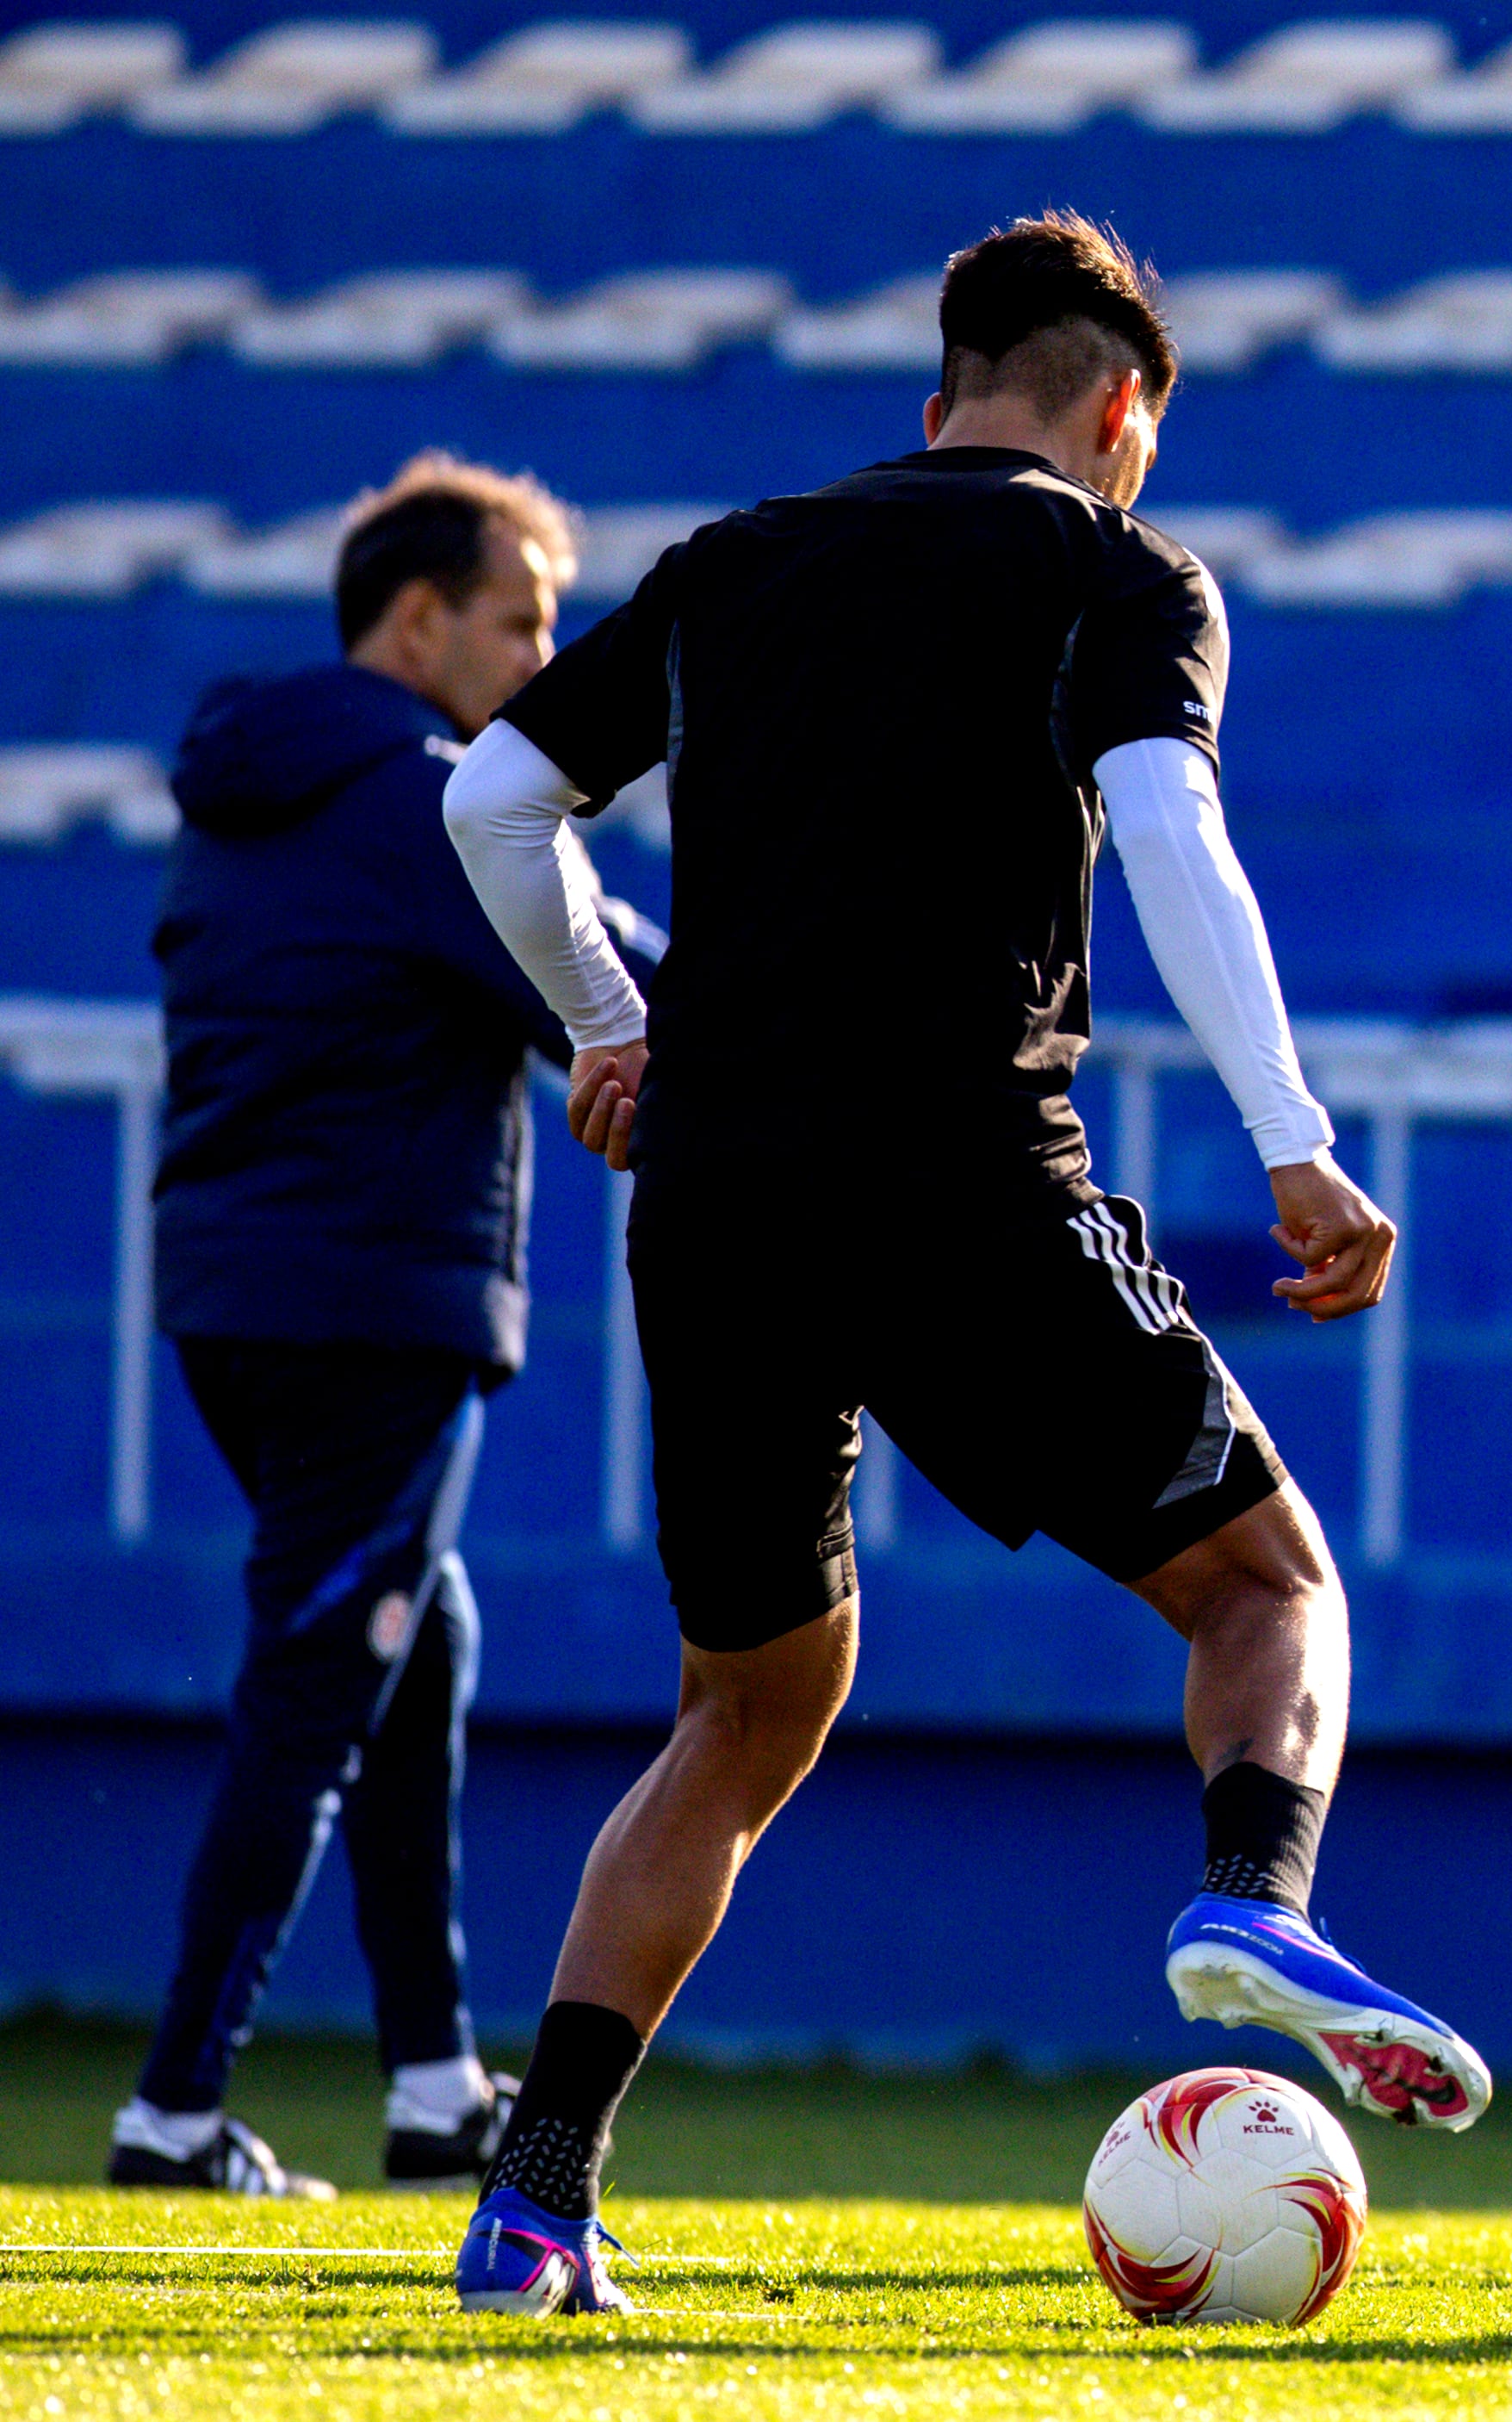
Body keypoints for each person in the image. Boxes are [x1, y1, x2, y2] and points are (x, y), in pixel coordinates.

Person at [434, 212, 1484, 2315]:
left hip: (718, 1193)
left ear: (938, 397)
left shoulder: (741, 561)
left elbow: (492, 795)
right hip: (959, 1174)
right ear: (1124, 417)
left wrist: (611, 1022)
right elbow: (1170, 832)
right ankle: (1251, 1896)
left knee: (742, 1711)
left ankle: (533, 2191)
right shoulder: (1111, 566)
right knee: (1266, 1584)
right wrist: (1298, 1146)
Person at [115, 456, 660, 2200]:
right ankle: (175, 2112)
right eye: (521, 622)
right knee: (319, 1675)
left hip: (229, 1295)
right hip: (377, 1303)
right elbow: (595, 970)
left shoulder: (246, 787)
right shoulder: (427, 794)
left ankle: (436, 2085)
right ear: (415, 619)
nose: (541, 656)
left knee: (414, 1646)